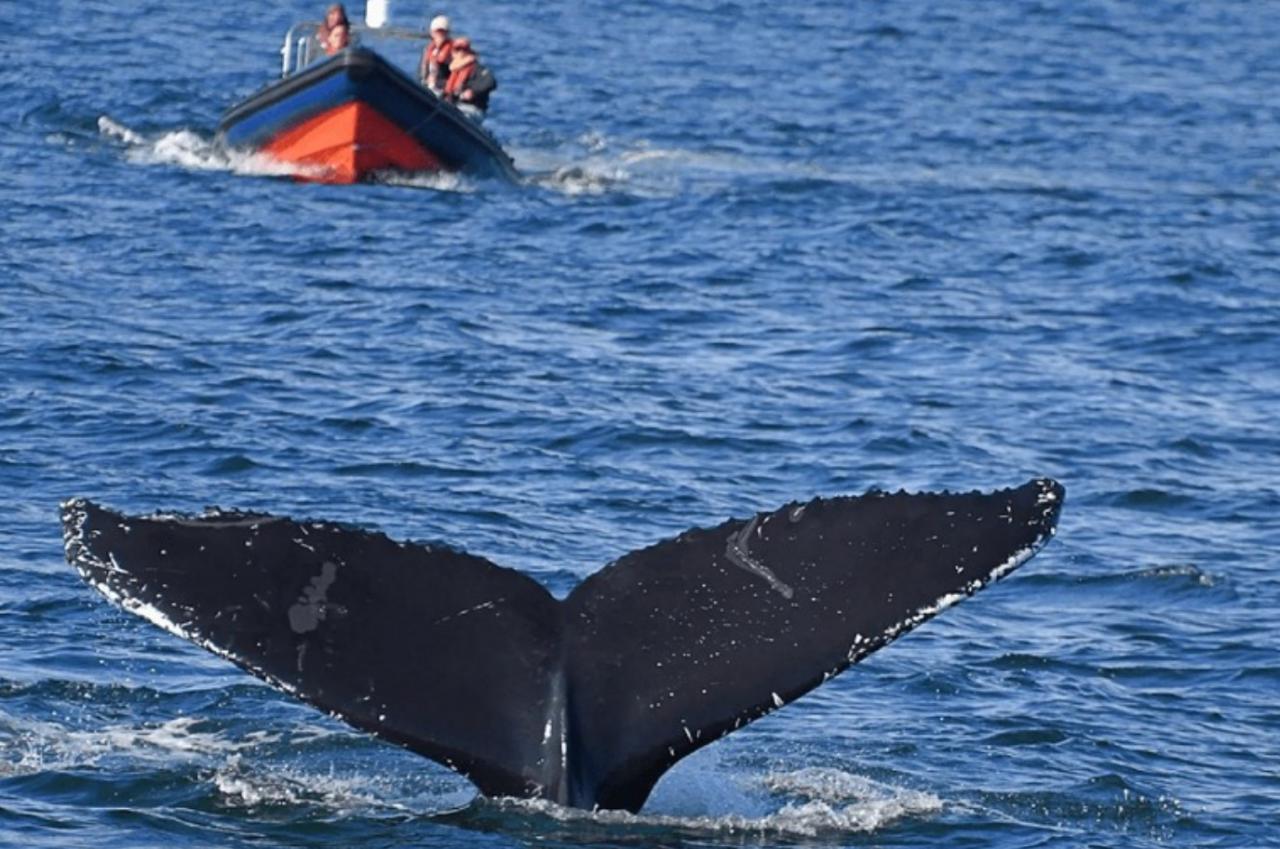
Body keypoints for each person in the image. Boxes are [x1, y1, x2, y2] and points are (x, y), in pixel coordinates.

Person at [442, 37, 497, 119]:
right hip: (455, 104)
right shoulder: (452, 71)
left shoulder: (476, 68)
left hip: (473, 108)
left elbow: (491, 82)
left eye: (464, 49)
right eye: (457, 49)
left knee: (458, 114)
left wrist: (473, 92)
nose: (461, 53)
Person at [418, 15, 453, 92]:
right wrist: (426, 81)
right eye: (437, 32)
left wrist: (436, 83)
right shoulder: (427, 50)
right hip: (427, 89)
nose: (440, 35)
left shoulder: (453, 52)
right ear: (432, 33)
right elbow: (420, 75)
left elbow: (454, 79)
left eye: (443, 32)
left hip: (443, 91)